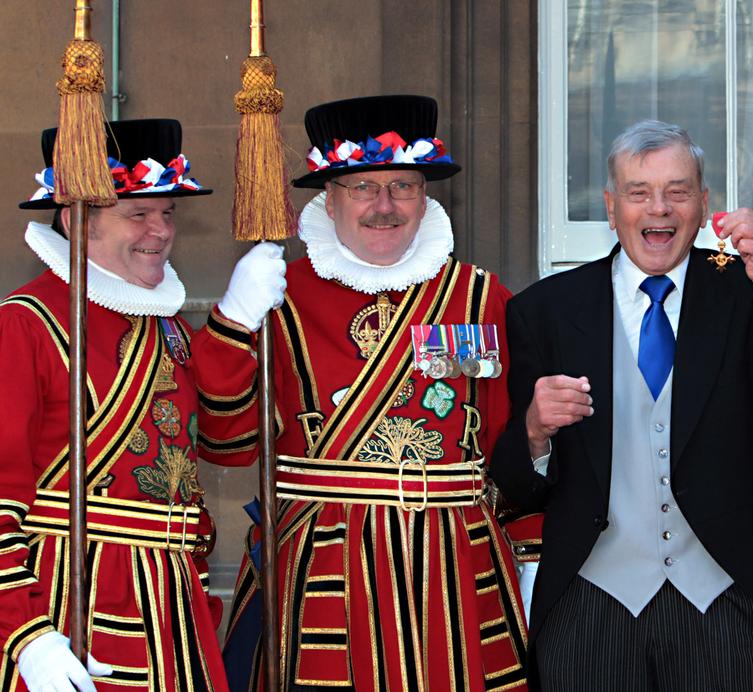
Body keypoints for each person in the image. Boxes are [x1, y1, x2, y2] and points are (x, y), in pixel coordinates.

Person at [489, 119, 753, 691]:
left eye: (678, 191)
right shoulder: (545, 310)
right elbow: (515, 485)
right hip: (591, 610)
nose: (659, 209)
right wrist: (533, 432)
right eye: (639, 193)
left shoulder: (745, 291)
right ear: (611, 208)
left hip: (729, 607)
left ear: (703, 204)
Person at [193, 94, 535, 691]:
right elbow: (227, 444)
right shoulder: (280, 295)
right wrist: (231, 324)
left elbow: (513, 438)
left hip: (454, 565)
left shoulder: (481, 297)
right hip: (325, 566)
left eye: (402, 186)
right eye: (362, 187)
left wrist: (532, 554)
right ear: (328, 197)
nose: (385, 206)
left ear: (426, 195)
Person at [0, 119, 227, 691]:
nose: (160, 230)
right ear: (77, 221)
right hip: (67, 603)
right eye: (137, 213)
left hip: (171, 610)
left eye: (168, 212)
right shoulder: (25, 324)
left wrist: (236, 328)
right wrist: (25, 633)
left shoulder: (166, 326)